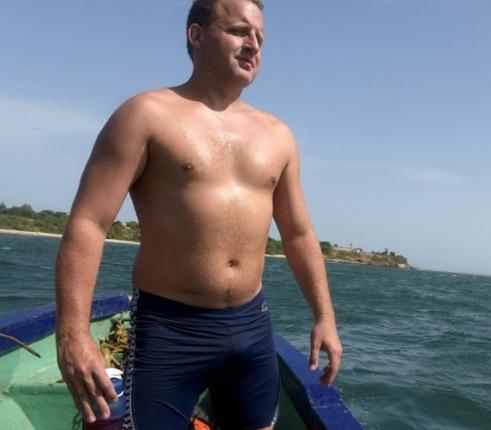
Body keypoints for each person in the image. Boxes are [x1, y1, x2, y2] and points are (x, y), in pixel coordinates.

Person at [54, 1, 342, 429]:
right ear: (197, 35)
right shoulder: (145, 115)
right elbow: (88, 223)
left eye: (260, 38)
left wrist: (325, 316)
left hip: (251, 325)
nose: (254, 45)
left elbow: (298, 233)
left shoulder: (278, 136)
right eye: (240, 31)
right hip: (169, 329)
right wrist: (73, 334)